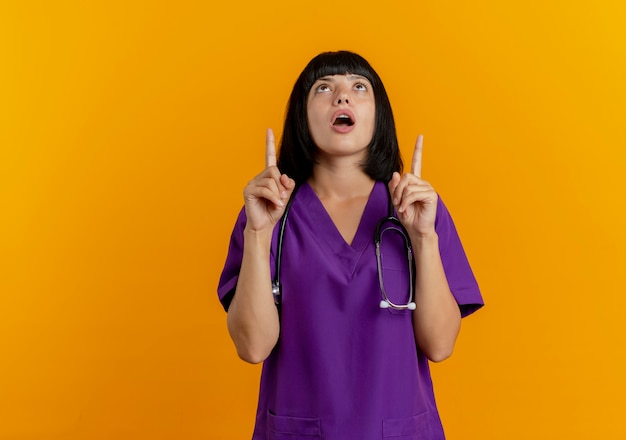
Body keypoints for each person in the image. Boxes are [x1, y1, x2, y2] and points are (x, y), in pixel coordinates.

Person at [217, 51, 483, 440]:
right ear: (302, 117)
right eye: (324, 88)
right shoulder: (269, 212)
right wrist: (258, 234)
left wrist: (424, 238)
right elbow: (252, 347)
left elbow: (440, 346)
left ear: (378, 115)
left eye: (359, 87)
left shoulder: (418, 209)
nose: (342, 96)